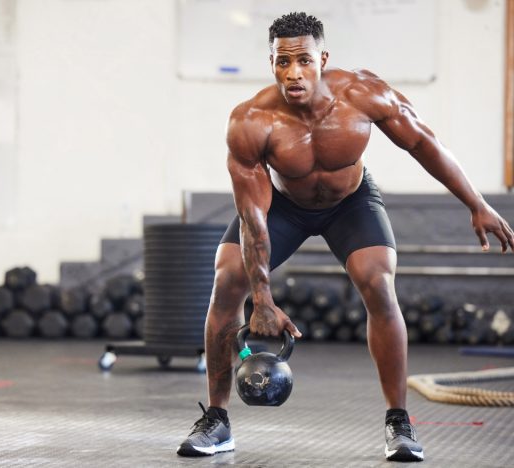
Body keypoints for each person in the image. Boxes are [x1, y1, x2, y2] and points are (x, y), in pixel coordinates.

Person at [176, 11, 514, 462]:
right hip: (282, 207)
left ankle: (399, 422)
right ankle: (216, 420)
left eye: (303, 60)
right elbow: (253, 216)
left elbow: (423, 143)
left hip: (350, 203)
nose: (293, 73)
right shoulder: (251, 122)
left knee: (378, 281)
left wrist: (476, 202)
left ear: (323, 58)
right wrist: (262, 299)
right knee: (227, 280)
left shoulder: (363, 93)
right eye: (281, 62)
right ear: (271, 62)